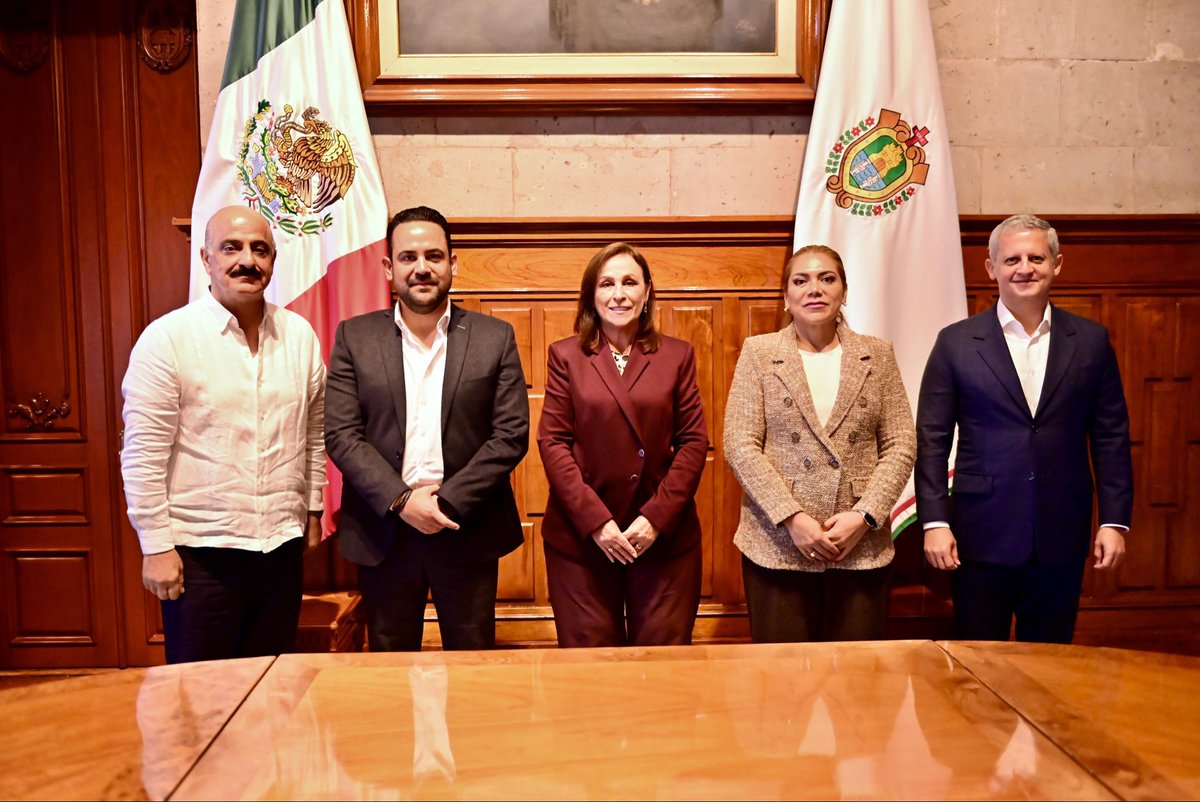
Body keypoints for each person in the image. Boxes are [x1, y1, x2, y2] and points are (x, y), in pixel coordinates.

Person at [120, 205, 326, 664]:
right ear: (206, 259)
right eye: (230, 248)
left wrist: (311, 509)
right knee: (201, 700)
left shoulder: (300, 336)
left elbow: (313, 435)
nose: (247, 260)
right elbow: (143, 455)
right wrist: (155, 547)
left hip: (279, 548)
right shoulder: (167, 339)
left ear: (273, 260)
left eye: (260, 249)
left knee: (271, 691)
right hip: (201, 555)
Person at [915, 214, 1133, 643]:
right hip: (978, 535)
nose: (1025, 268)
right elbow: (932, 439)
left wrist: (1114, 522)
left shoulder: (1090, 340)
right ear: (991, 268)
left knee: (1050, 669)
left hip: (1061, 533)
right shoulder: (956, 342)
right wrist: (935, 521)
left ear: (1057, 264)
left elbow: (1111, 436)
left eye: (1036, 257)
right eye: (1011, 258)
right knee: (977, 669)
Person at [325, 205, 529, 651]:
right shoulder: (353, 338)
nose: (422, 268)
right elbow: (342, 434)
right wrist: (402, 501)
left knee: (473, 672)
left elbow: (510, 434)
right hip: (385, 532)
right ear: (388, 268)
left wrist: (445, 502)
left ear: (452, 264)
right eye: (408, 257)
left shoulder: (495, 337)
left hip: (466, 527)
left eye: (434, 256)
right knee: (389, 673)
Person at [724, 244, 916, 642]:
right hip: (777, 547)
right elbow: (740, 444)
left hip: (860, 547)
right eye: (801, 280)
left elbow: (900, 443)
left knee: (857, 684)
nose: (815, 288)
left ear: (844, 292)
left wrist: (864, 517)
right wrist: (792, 518)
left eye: (827, 279)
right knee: (783, 686)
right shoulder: (759, 353)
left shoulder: (877, 355)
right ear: (786, 296)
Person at [537, 242, 708, 647]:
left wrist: (655, 519)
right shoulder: (566, 356)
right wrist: (597, 523)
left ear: (647, 292)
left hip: (662, 536)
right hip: (583, 538)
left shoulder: (677, 355)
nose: (619, 294)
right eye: (607, 283)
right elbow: (553, 443)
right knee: (591, 674)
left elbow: (693, 442)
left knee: (663, 668)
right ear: (591, 295)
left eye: (630, 282)